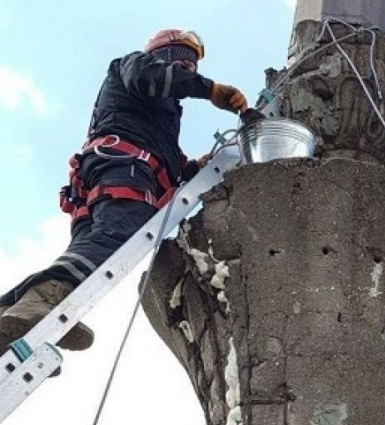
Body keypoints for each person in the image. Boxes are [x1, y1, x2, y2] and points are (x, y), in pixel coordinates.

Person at [0, 29, 251, 364]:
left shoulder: (155, 112)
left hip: (113, 170)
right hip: (122, 168)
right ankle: (39, 302)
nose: (189, 69)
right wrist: (209, 89)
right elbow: (152, 78)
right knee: (116, 237)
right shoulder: (133, 67)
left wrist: (194, 167)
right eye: (184, 61)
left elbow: (166, 159)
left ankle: (15, 315)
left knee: (93, 250)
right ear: (164, 55)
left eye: (192, 65)